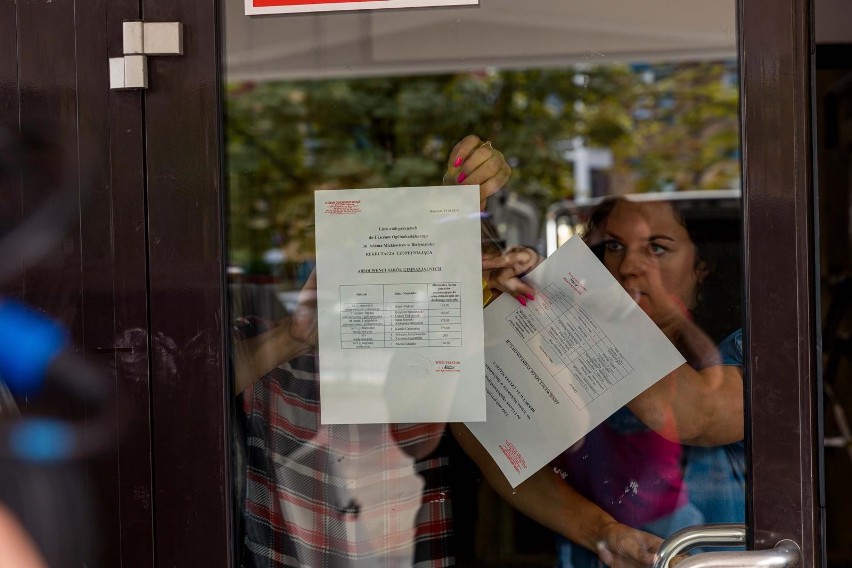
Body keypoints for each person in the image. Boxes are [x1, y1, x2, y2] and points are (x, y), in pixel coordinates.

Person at [463, 192, 745, 568]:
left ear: (700, 268)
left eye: (657, 248)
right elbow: (487, 438)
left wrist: (568, 302)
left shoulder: (743, 351)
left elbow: (697, 417)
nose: (629, 266)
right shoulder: (569, 349)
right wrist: (602, 532)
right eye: (614, 246)